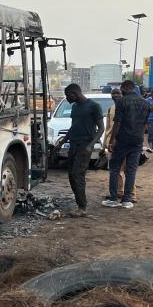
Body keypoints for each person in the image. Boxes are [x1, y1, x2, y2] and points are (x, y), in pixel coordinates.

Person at [103, 80, 151, 209]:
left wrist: (112, 140)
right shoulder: (146, 103)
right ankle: (127, 200)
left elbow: (117, 123)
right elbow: (145, 125)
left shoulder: (121, 102)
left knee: (114, 169)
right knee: (131, 171)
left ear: (125, 88)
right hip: (137, 141)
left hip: (122, 140)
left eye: (121, 89)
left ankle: (113, 198)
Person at [61, 83, 104, 217]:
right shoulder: (75, 107)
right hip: (74, 145)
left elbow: (101, 128)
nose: (67, 99)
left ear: (75, 93)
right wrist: (62, 141)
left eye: (68, 96)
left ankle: (82, 207)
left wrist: (90, 145)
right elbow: (74, 127)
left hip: (85, 146)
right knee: (71, 175)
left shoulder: (93, 106)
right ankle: (80, 203)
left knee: (77, 175)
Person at [102, 89, 136, 202]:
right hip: (112, 144)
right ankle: (118, 192)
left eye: (118, 93)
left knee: (128, 169)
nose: (115, 95)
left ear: (123, 95)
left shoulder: (128, 108)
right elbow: (108, 128)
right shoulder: (111, 108)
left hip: (125, 142)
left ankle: (131, 194)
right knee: (115, 170)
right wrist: (105, 143)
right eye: (113, 94)